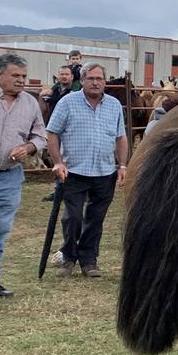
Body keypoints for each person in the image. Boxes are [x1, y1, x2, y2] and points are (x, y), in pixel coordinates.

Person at [46, 62, 128, 278]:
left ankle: (89, 261)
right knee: (72, 217)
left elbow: (121, 137)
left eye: (99, 79)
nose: (95, 82)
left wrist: (122, 165)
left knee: (96, 219)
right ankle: (69, 256)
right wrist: (57, 162)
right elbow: (52, 132)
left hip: (104, 172)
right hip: (73, 171)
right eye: (90, 78)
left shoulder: (114, 105)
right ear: (81, 81)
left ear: (105, 82)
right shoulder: (67, 102)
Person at [0, 53, 48, 298]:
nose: (21, 80)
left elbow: (40, 136)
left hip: (9, 177)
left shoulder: (30, 103)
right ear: (0, 74)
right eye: (15, 75)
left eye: (23, 76)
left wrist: (28, 148)